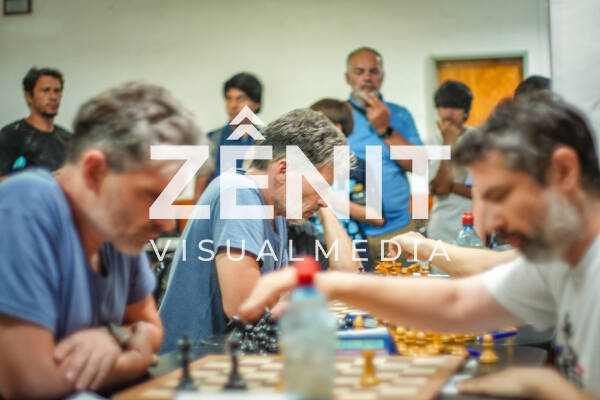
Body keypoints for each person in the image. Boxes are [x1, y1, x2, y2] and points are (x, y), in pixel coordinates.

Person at [241, 92, 600, 398]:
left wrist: (547, 386)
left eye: (500, 196)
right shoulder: (559, 262)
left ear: (563, 172)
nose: (490, 223)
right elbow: (457, 303)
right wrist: (329, 284)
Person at [0, 82, 203, 399]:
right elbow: (32, 384)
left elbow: (151, 328)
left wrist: (110, 337)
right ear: (95, 171)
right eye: (153, 196)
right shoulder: (26, 204)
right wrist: (134, 357)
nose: (166, 222)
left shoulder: (116, 228)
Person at [159, 108, 358, 353]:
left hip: (232, 353)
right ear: (284, 171)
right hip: (191, 361)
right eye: (320, 187)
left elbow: (284, 299)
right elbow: (245, 307)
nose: (324, 200)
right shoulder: (238, 192)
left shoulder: (277, 211)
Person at [344, 47, 423, 268]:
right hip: (350, 234)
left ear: (382, 76)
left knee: (407, 288)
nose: (367, 77)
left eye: (374, 71)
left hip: (399, 231)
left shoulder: (399, 115)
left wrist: (385, 129)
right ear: (348, 77)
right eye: (360, 71)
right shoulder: (337, 116)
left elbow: (419, 166)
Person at [309, 98, 385, 270]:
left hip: (354, 248)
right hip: (312, 250)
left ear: (338, 128)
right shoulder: (303, 167)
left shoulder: (358, 166)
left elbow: (377, 218)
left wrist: (330, 199)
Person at [195, 72, 263, 200]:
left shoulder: (267, 141)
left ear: (256, 104)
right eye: (229, 99)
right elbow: (199, 194)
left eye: (240, 99)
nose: (233, 105)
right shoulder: (212, 141)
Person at [0, 67, 71, 177]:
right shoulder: (11, 136)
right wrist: (45, 180)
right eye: (45, 90)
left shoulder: (69, 140)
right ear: (29, 96)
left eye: (57, 91)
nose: (53, 97)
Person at [427, 80, 474, 244]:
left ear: (465, 111)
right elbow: (439, 189)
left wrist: (450, 185)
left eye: (455, 107)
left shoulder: (479, 139)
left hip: (474, 227)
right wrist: (447, 142)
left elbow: (479, 191)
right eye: (444, 106)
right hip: (440, 229)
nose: (448, 113)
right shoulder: (430, 142)